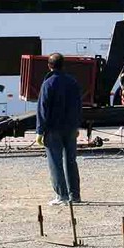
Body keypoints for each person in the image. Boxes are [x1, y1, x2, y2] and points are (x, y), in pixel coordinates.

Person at [36, 53, 83, 205]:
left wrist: (40, 131)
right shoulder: (73, 82)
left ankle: (61, 196)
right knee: (71, 161)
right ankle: (75, 196)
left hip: (53, 129)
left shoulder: (48, 83)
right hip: (70, 128)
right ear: (64, 65)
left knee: (55, 162)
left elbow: (43, 109)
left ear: (49, 66)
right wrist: (76, 126)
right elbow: (78, 107)